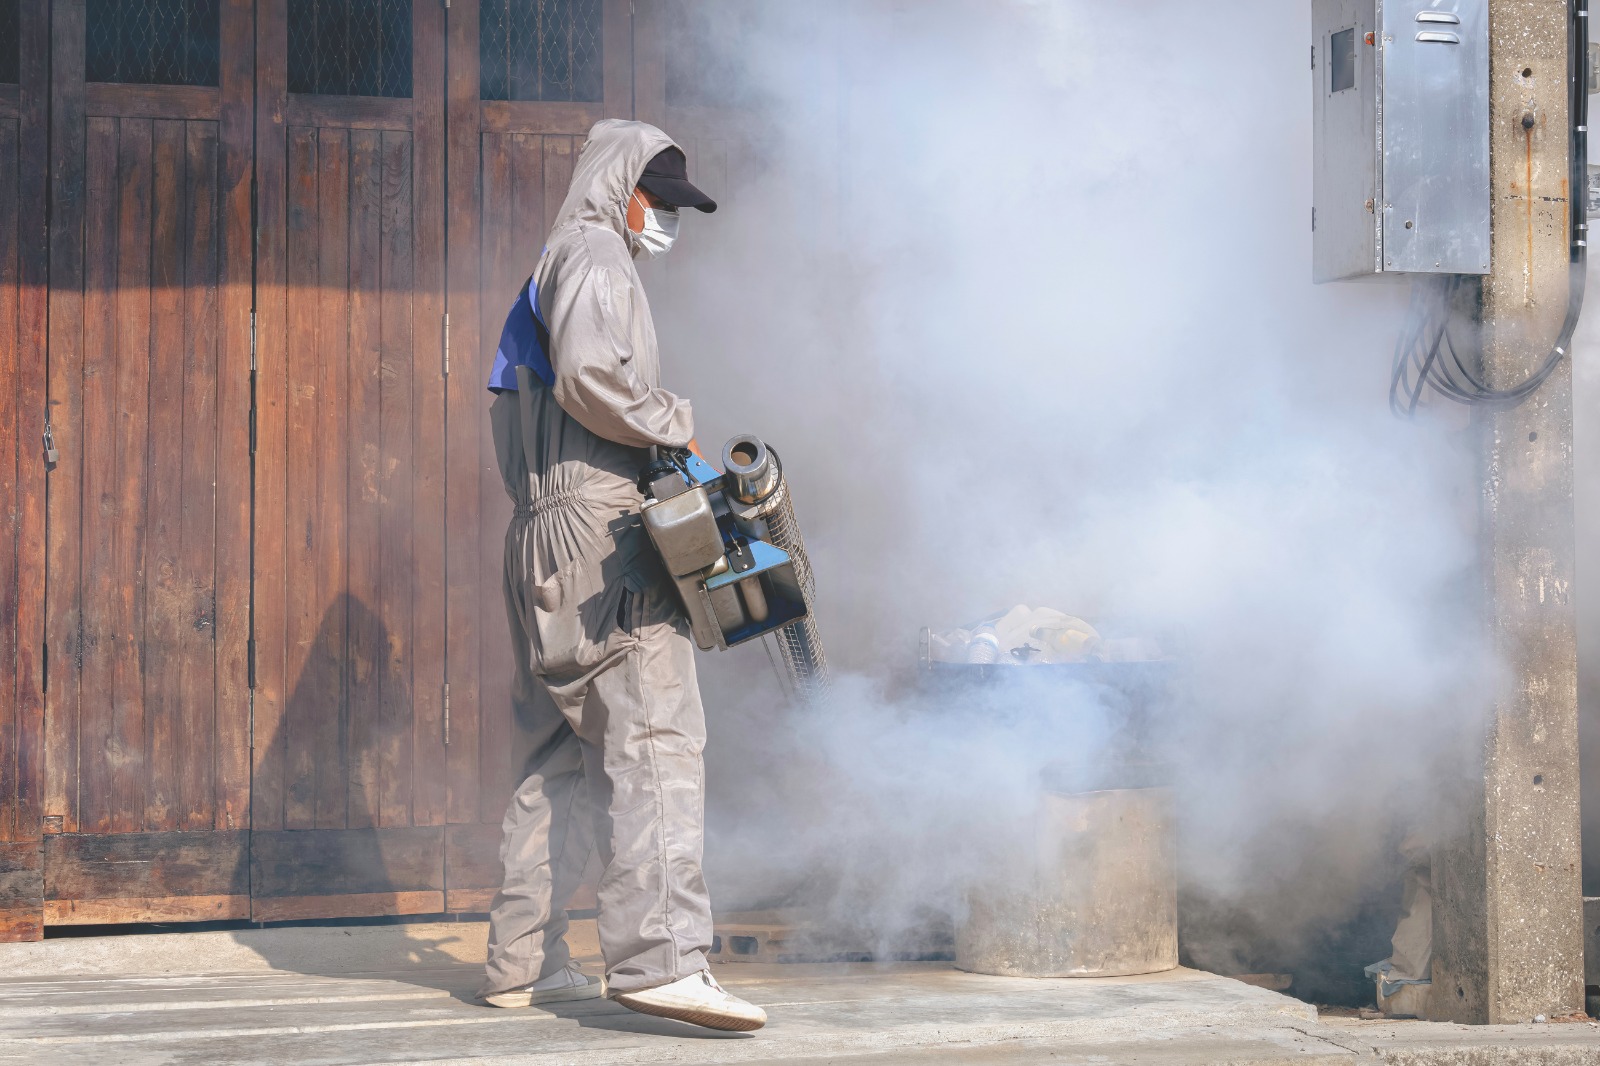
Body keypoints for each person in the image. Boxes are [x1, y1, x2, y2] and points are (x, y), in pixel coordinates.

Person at [476, 119, 766, 1034]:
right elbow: (595, 380)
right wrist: (677, 425)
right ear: (621, 185)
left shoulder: (553, 263)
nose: (667, 224)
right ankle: (665, 961)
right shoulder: (598, 255)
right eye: (662, 203)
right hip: (600, 535)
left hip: (541, 537)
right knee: (657, 737)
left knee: (557, 756)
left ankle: (526, 964)